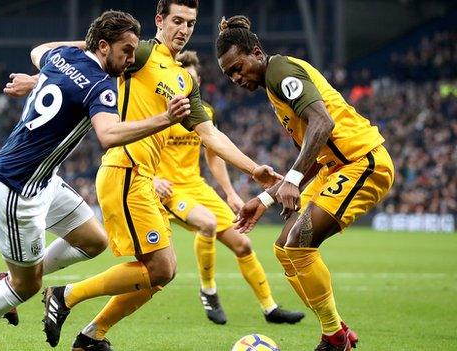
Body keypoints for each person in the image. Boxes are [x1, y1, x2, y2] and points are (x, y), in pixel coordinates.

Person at [0, 10, 193, 351]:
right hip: (17, 189)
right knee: (27, 287)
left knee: (94, 241)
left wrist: (42, 76)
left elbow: (37, 50)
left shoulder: (62, 56)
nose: (132, 59)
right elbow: (109, 135)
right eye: (126, 50)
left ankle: (7, 280)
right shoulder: (102, 85)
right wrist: (164, 118)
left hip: (43, 181)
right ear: (102, 46)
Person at [41, 1, 282, 350]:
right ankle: (64, 296)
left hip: (145, 180)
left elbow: (210, 135)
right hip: (125, 170)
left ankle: (92, 336)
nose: (184, 29)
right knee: (161, 269)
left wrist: (253, 168)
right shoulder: (140, 53)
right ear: (159, 20)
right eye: (177, 21)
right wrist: (42, 73)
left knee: (156, 277)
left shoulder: (184, 79)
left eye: (191, 23)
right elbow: (94, 56)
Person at [216, 16, 394, 351]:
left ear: (256, 52)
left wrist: (292, 180)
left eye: (238, 68)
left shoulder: (279, 71)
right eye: (230, 75)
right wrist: (266, 199)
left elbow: (323, 122)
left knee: (299, 243)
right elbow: (310, 155)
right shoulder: (272, 87)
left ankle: (334, 337)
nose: (237, 78)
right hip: (333, 167)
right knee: (284, 248)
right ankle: (336, 332)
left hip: (362, 162)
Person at [153, 50, 304, 325]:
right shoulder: (161, 110)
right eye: (182, 78)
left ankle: (270, 309)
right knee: (207, 224)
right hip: (169, 190)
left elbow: (213, 155)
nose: (187, 84)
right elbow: (138, 147)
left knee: (243, 245)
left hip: (197, 187)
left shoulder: (205, 113)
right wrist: (152, 179)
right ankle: (208, 291)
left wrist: (231, 193)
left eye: (192, 79)